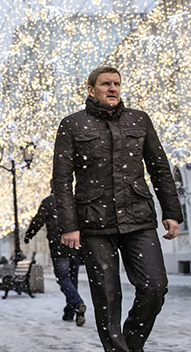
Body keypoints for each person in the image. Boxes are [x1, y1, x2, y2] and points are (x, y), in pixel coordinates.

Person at [53, 66, 183, 352]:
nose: (113, 88)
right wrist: (69, 225)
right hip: (94, 224)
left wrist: (172, 212)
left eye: (117, 84)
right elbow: (62, 180)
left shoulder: (140, 120)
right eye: (105, 84)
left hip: (139, 219)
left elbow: (159, 168)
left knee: (154, 288)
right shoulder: (72, 125)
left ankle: (130, 345)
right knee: (107, 296)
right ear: (91, 90)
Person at [24, 180, 86, 326]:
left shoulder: (49, 202)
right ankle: (70, 312)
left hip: (59, 248)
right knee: (72, 280)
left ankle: (77, 304)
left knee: (63, 279)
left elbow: (37, 221)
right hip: (75, 247)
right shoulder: (74, 201)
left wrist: (29, 235)